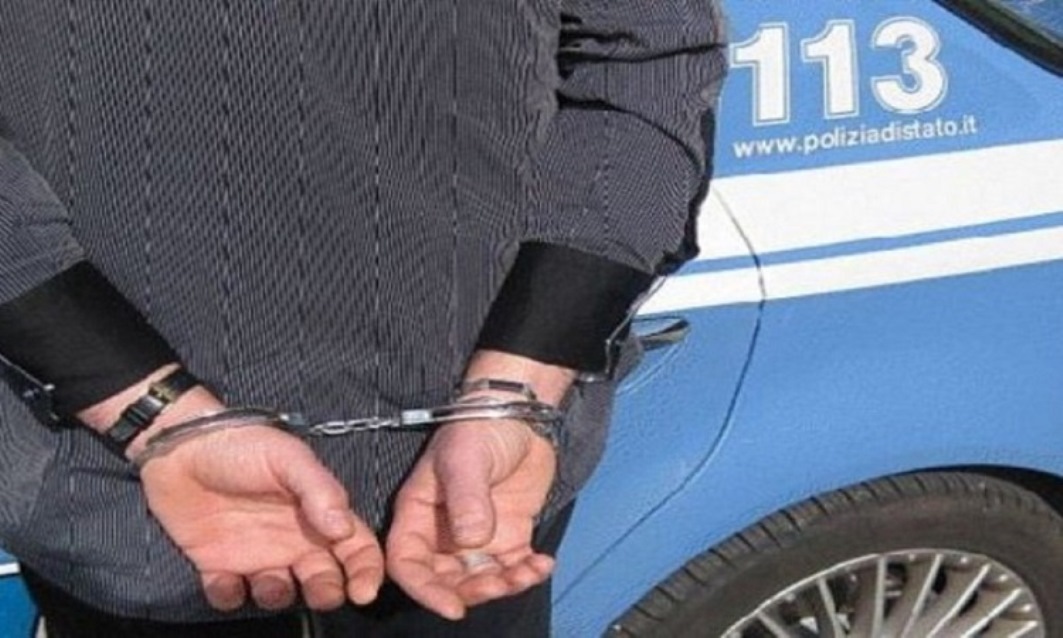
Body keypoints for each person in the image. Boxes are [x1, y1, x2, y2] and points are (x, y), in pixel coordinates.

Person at [0, 1, 728, 636]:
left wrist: (519, 381)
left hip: (476, 497)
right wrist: (145, 407)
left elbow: (649, 56)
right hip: (111, 489)